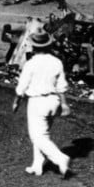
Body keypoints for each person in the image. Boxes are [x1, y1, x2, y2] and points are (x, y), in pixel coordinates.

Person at [14, 31, 71, 178]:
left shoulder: (31, 64)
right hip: (54, 101)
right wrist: (64, 105)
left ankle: (60, 158)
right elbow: (62, 86)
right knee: (42, 133)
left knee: (38, 137)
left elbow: (22, 86)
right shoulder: (56, 62)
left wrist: (16, 101)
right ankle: (37, 165)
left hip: (37, 102)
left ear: (33, 47)